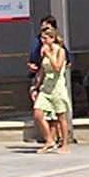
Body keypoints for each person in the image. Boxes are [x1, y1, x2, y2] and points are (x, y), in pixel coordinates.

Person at [33, 21, 74, 152]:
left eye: (45, 38)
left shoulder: (60, 51)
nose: (42, 41)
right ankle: (49, 140)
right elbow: (42, 70)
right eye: (42, 38)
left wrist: (49, 54)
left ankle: (65, 144)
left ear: (52, 38)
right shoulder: (43, 51)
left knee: (60, 116)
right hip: (46, 87)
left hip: (57, 87)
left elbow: (57, 67)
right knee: (38, 113)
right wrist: (35, 86)